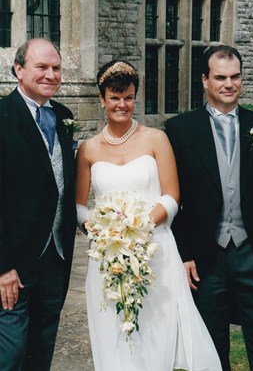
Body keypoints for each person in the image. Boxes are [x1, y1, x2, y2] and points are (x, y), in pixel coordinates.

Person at [75, 59, 222, 371]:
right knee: (113, 331)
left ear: (135, 98)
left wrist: (138, 227)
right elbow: (79, 207)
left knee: (157, 330)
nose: (122, 105)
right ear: (102, 100)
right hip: (108, 257)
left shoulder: (156, 139)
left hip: (155, 250)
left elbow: (172, 195)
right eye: (114, 98)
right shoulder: (88, 149)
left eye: (128, 97)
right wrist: (104, 232)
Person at [166, 45, 253, 371]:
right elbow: (172, 198)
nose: (229, 84)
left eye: (235, 77)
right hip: (205, 258)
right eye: (220, 77)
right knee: (211, 352)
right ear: (204, 80)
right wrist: (183, 254)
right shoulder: (180, 130)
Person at [0, 38, 77, 371]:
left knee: (41, 351)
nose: (51, 75)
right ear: (18, 70)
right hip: (12, 263)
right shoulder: (3, 116)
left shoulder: (64, 116)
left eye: (56, 68)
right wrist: (2, 267)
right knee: (11, 353)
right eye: (41, 67)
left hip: (55, 257)